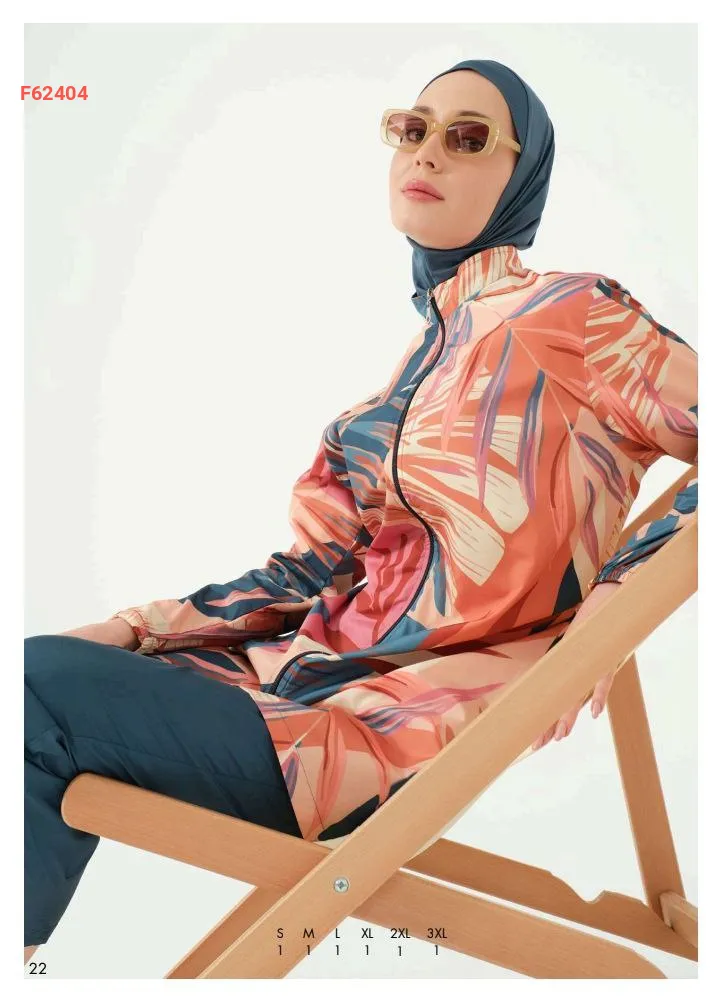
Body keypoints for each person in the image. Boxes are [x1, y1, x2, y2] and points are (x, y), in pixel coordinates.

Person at [25, 58, 698, 967]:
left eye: (468, 137)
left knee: (33, 696)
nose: (428, 152)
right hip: (280, 688)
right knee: (35, 685)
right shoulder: (396, 392)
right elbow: (308, 573)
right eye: (411, 129)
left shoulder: (571, 317)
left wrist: (621, 597)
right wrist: (134, 629)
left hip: (364, 739)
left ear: (521, 176)